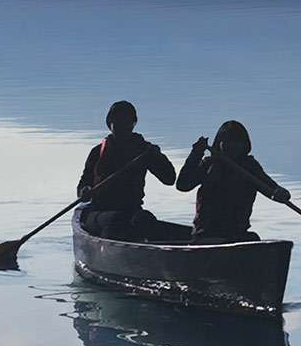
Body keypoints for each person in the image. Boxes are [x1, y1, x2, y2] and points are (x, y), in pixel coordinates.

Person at [79, 100, 179, 241]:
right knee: (115, 221)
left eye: (126, 122)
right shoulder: (97, 152)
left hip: (131, 210)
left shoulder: (143, 151)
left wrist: (159, 158)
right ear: (109, 123)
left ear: (134, 123)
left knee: (145, 219)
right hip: (99, 211)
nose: (122, 127)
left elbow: (169, 179)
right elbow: (82, 188)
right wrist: (85, 191)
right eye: (117, 122)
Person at [178, 120, 290, 242]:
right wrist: (196, 153)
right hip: (206, 233)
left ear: (244, 145)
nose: (232, 146)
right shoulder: (208, 164)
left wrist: (281, 193)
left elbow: (271, 189)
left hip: (236, 233)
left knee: (253, 238)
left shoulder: (249, 167)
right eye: (227, 141)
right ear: (219, 143)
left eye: (237, 141)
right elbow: (183, 185)